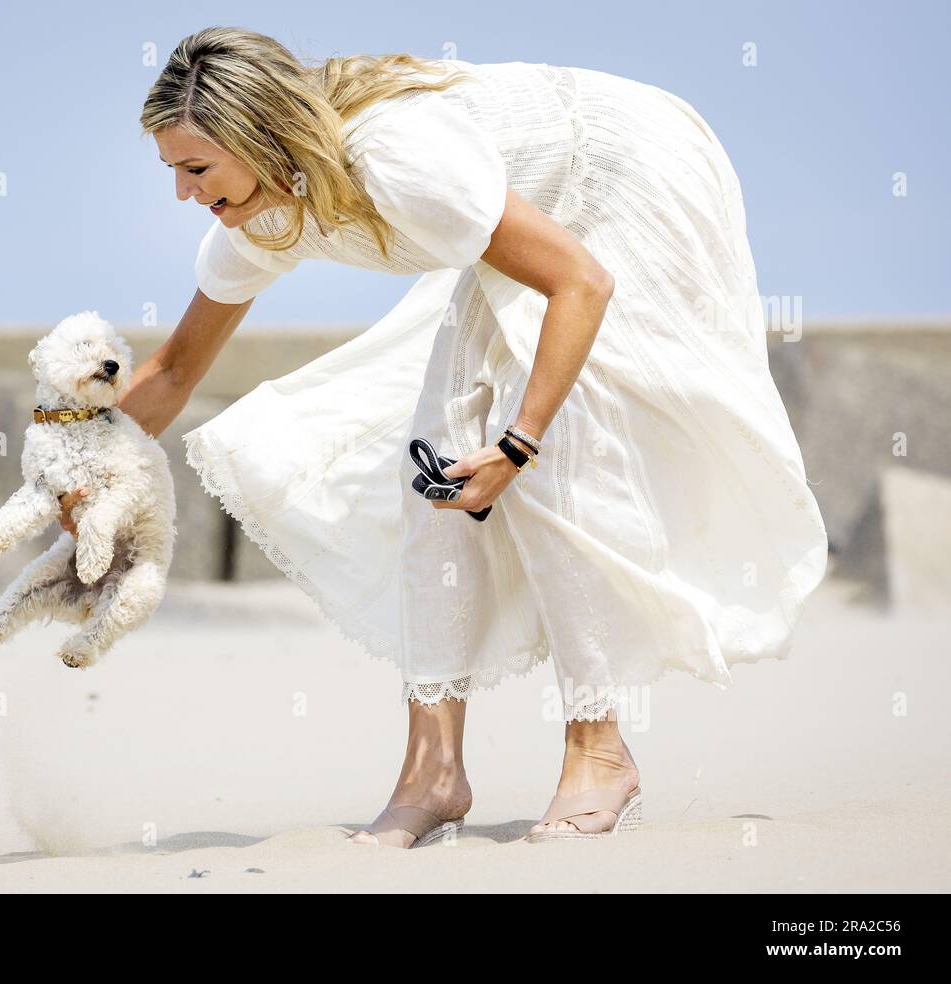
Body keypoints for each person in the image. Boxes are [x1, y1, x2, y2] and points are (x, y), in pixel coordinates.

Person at [57, 26, 829, 847]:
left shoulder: (402, 161)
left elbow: (581, 279)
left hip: (623, 170)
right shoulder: (253, 222)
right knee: (434, 472)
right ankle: (434, 774)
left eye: (196, 168)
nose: (182, 193)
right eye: (172, 171)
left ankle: (600, 755)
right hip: (514, 223)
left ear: (258, 136)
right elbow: (174, 372)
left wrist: (520, 444)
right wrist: (70, 480)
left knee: (551, 468)